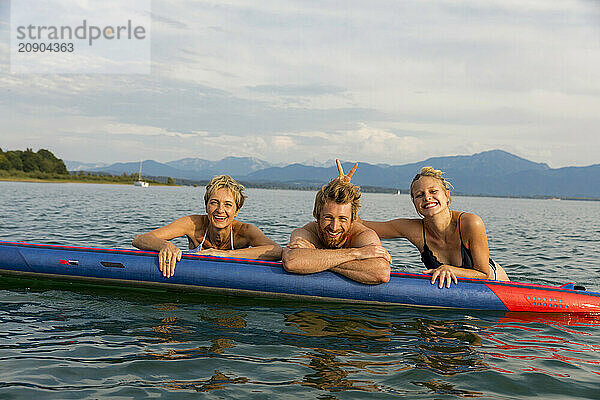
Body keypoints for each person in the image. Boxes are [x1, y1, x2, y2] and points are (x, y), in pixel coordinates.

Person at [337, 161, 509, 288]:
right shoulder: (413, 230)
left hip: (496, 285)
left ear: (447, 196)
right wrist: (345, 193)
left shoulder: (471, 223)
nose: (427, 197)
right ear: (414, 202)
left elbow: (484, 274)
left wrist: (449, 269)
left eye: (433, 192)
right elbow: (360, 224)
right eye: (419, 195)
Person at [132, 175, 282, 278]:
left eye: (228, 205)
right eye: (214, 202)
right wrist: (165, 245)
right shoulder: (192, 224)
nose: (220, 210)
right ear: (206, 206)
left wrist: (224, 255)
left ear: (236, 211)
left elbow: (276, 250)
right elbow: (139, 239)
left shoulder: (245, 231)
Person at [282, 177, 391, 284]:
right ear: (317, 216)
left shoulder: (363, 235)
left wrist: (314, 256)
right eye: (328, 217)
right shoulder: (306, 233)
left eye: (343, 219)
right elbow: (292, 261)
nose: (334, 227)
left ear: (352, 220)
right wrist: (357, 253)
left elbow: (381, 272)